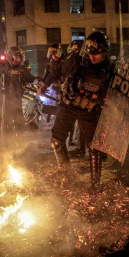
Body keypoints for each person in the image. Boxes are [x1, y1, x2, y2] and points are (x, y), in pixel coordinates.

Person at [50, 31, 114, 189]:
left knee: (94, 147)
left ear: (104, 52)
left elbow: (115, 95)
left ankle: (95, 183)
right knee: (56, 141)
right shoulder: (75, 60)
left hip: (89, 110)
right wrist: (53, 64)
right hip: (68, 106)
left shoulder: (110, 70)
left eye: (97, 54)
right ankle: (67, 175)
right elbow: (57, 72)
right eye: (91, 53)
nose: (93, 57)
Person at [0, 46, 39, 140]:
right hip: (5, 97)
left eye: (19, 57)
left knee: (19, 119)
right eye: (16, 57)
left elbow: (30, 78)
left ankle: (19, 141)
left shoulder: (21, 67)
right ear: (10, 57)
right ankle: (6, 142)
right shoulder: (2, 66)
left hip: (18, 97)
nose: (18, 59)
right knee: (6, 120)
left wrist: (40, 81)